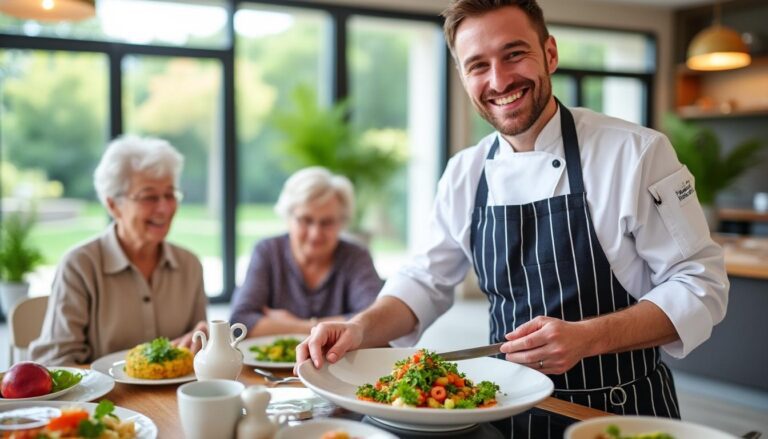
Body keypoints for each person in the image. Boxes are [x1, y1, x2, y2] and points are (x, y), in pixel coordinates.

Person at [297, 0, 729, 436]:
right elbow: (424, 281)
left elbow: (701, 286)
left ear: (551, 54)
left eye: (514, 54)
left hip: (617, 411)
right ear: (464, 78)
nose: (499, 80)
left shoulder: (635, 153)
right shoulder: (464, 172)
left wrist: (588, 338)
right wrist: (359, 328)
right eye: (478, 65)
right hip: (504, 407)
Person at [30, 135, 208, 365]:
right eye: (149, 197)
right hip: (103, 400)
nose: (164, 208)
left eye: (170, 194)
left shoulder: (189, 264)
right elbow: (57, 362)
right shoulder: (80, 265)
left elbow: (200, 353)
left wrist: (203, 341)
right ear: (113, 205)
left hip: (171, 399)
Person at [229, 167, 382, 337]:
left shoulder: (356, 257)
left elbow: (375, 322)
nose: (315, 233)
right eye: (306, 220)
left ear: (342, 222)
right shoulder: (267, 251)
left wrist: (294, 325)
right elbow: (240, 322)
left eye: (327, 222)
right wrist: (338, 325)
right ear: (288, 217)